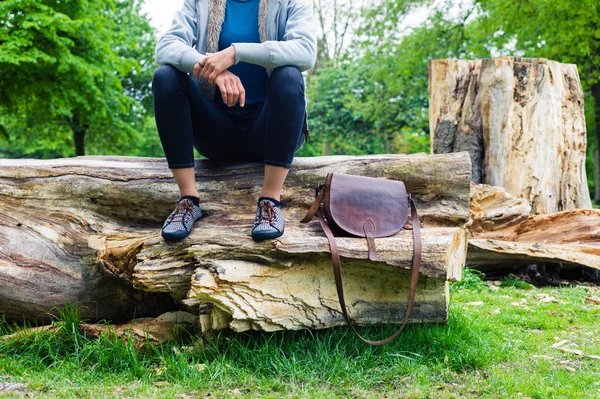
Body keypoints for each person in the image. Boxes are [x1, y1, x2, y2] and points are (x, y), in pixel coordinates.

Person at [152, 0, 317, 242]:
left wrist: (236, 53)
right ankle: (188, 200)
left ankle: (270, 201)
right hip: (216, 132)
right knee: (165, 75)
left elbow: (305, 51)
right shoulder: (200, 3)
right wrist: (212, 69)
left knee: (289, 75)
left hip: (270, 132)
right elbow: (165, 47)